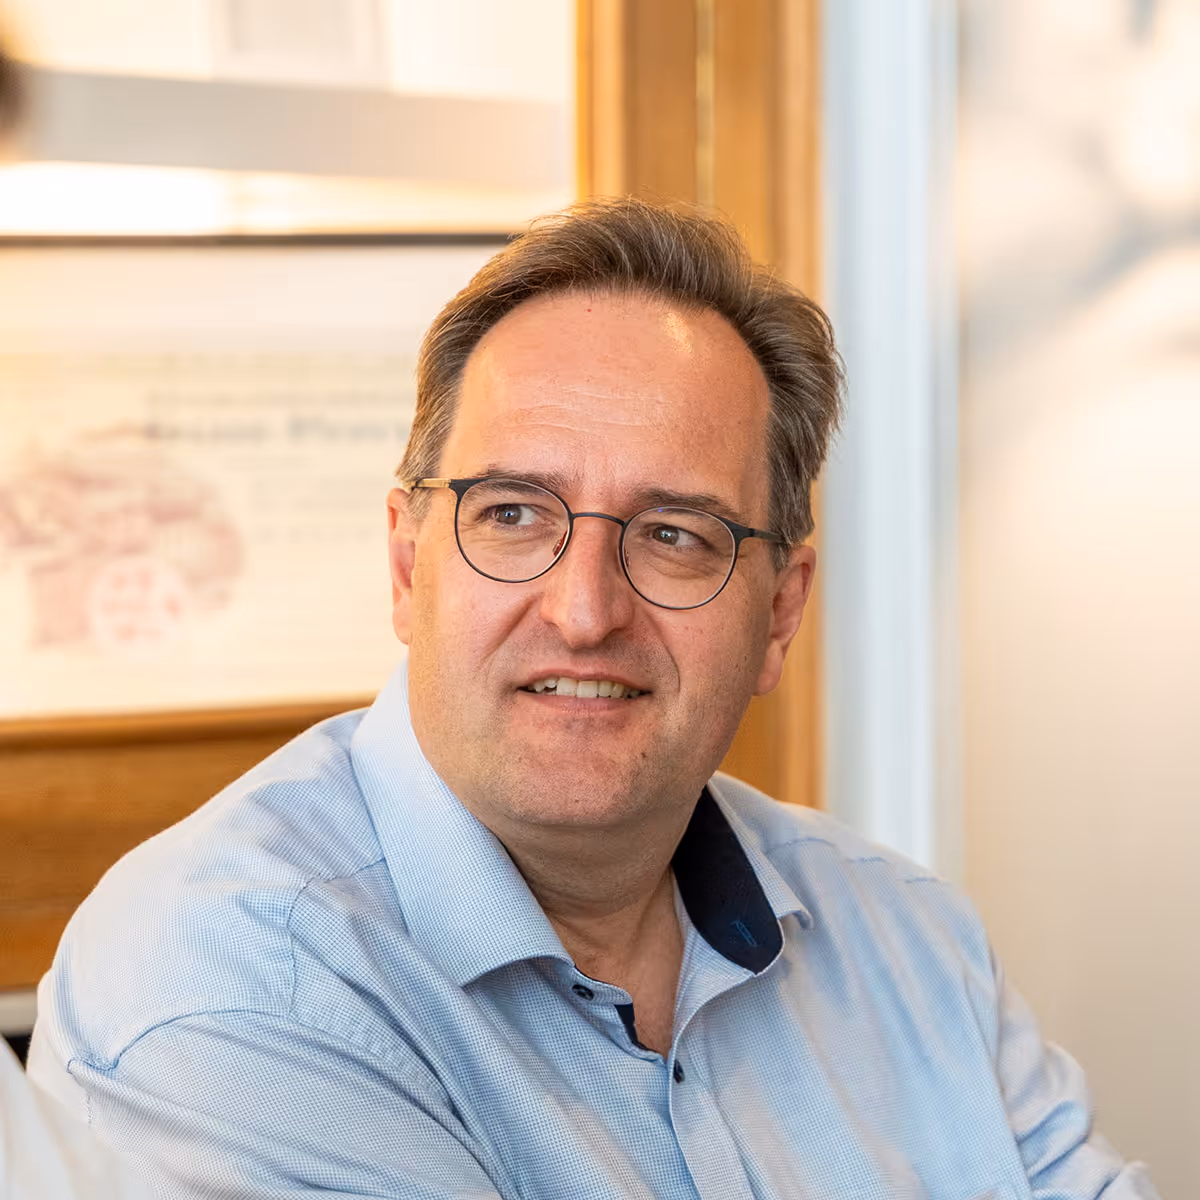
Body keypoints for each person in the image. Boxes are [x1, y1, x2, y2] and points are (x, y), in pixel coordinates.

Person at [29, 200, 1158, 1199]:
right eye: (514, 513)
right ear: (411, 567)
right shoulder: (232, 984)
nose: (584, 609)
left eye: (675, 535)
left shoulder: (911, 942)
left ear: (778, 612)